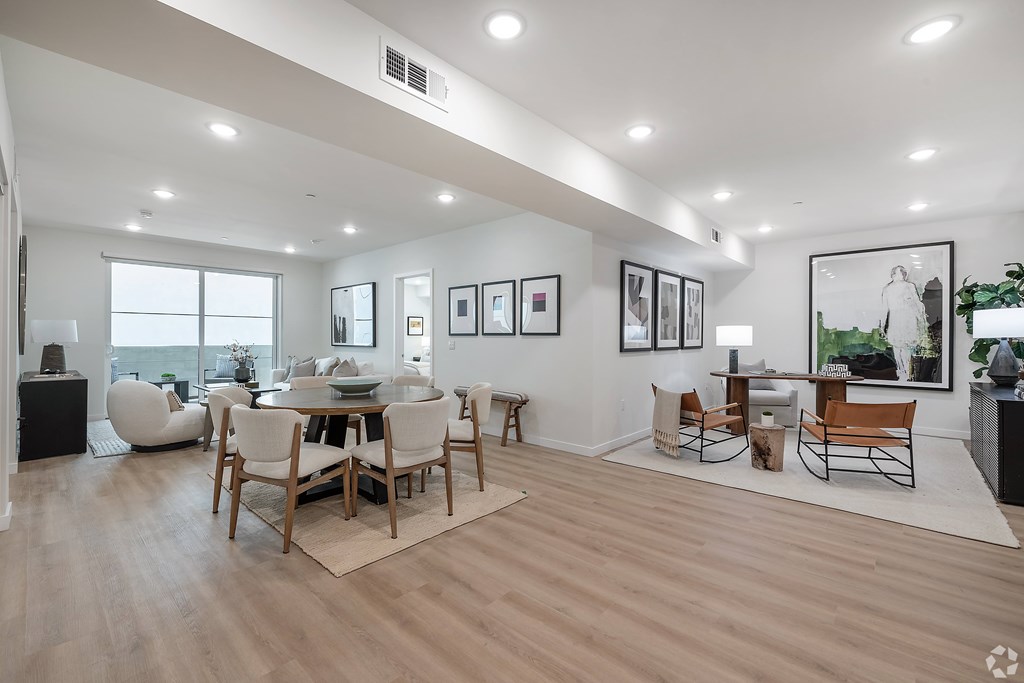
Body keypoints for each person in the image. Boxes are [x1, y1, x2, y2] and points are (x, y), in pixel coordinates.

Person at [880, 265, 927, 381]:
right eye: (897, 274)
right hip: (900, 320)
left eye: (900, 274)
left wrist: (882, 325)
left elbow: (916, 303)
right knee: (900, 346)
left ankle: (904, 371)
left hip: (905, 319)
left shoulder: (892, 288)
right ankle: (904, 371)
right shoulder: (890, 289)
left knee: (902, 346)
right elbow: (885, 309)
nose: (899, 276)